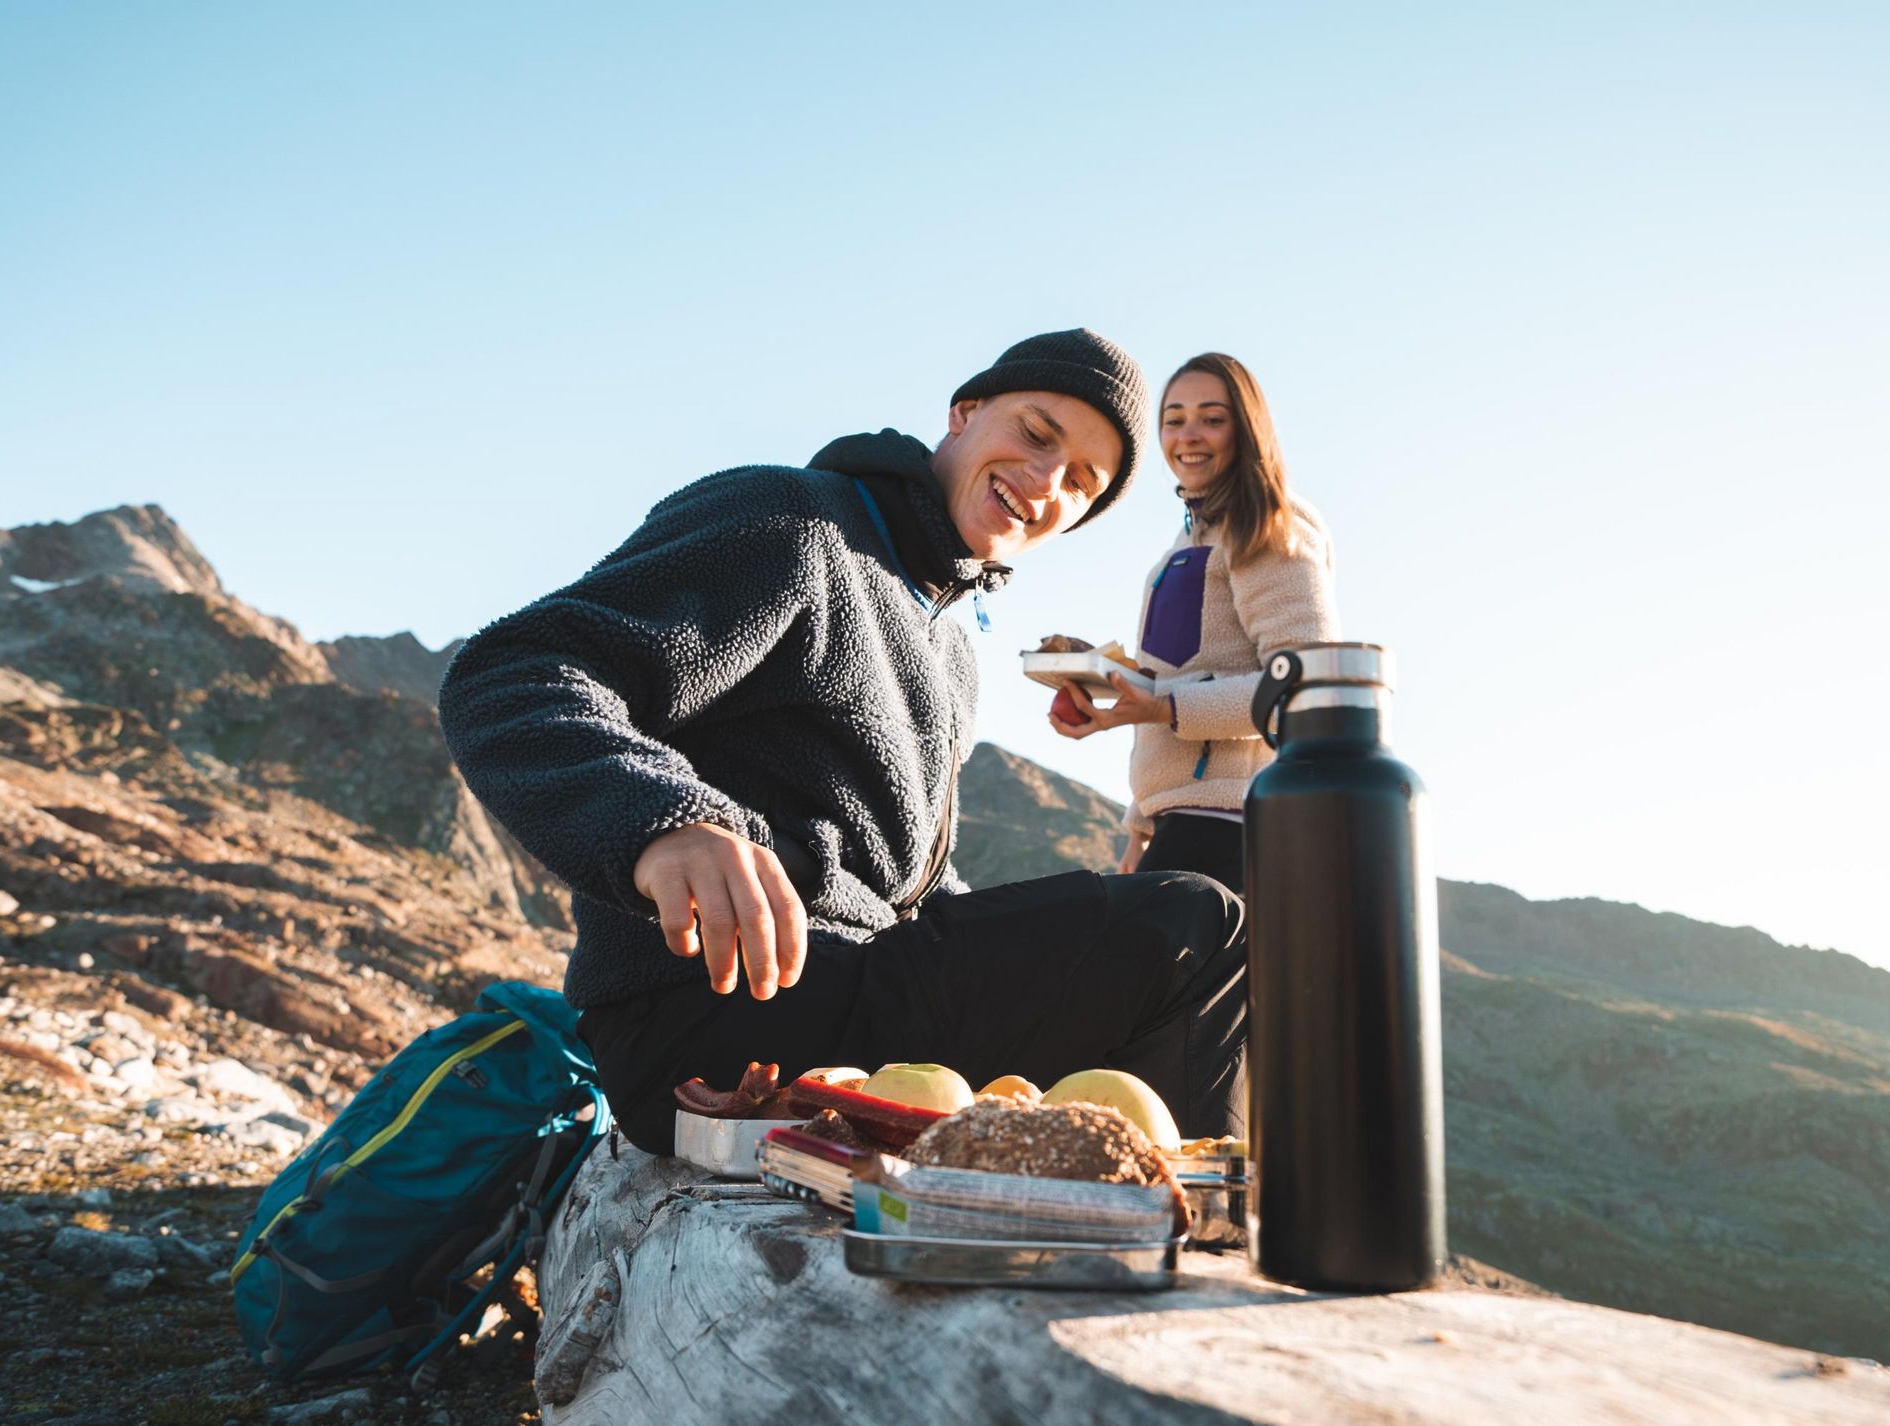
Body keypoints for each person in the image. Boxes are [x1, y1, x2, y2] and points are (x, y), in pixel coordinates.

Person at [438, 330, 1248, 1156]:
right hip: (717, 1010)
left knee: (1163, 947)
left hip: (858, 996)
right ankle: (1195, 1236)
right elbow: (517, 670)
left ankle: (1118, 1217)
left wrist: (1060, 948)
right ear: (963, 414)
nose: (1044, 483)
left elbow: (905, 886)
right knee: (1197, 919)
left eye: (1080, 482)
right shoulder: (792, 523)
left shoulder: (950, 648)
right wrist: (664, 821)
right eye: (1037, 435)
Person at [1047, 352, 1339, 893]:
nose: (1189, 435)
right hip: (1181, 824)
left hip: (1237, 827)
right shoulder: (1190, 540)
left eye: (1212, 417)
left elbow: (1302, 684)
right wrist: (1141, 826)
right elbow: (1182, 678)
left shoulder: (1270, 526)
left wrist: (1162, 706)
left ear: (1246, 429)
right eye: (1174, 419)